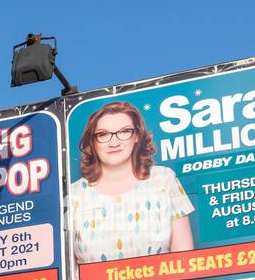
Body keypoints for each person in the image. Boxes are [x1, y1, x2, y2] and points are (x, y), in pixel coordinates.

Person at [70, 100, 194, 266]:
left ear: (137, 136)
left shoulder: (163, 180)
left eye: (124, 131)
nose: (114, 142)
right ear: (92, 142)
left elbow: (184, 259)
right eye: (103, 134)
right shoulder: (73, 195)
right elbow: (68, 273)